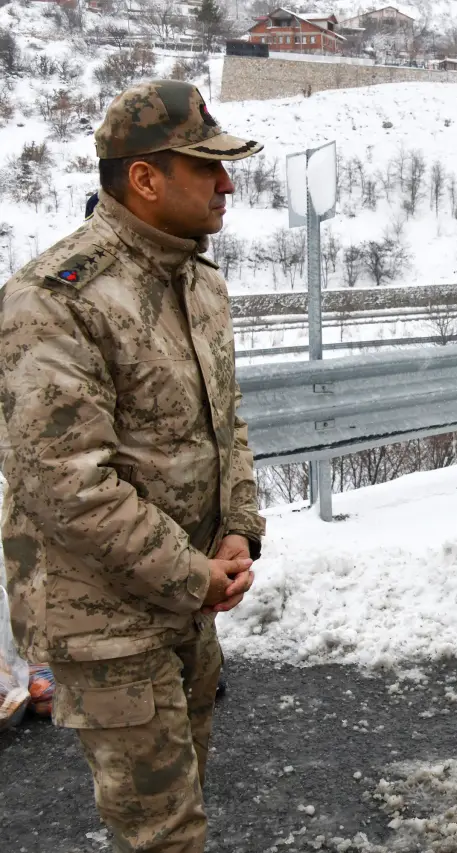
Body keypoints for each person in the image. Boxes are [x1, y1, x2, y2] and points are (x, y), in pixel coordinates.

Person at [0, 80, 266, 851]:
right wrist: (192, 571)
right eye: (206, 167)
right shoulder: (55, 299)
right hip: (107, 618)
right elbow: (66, 484)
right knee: (162, 834)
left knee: (186, 805)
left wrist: (240, 530)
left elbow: (227, 425)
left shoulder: (199, 283)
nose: (228, 184)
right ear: (145, 178)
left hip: (190, 601)